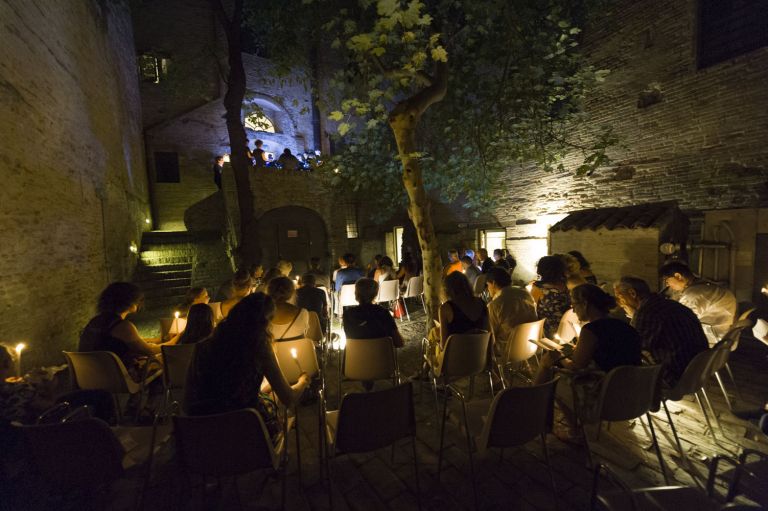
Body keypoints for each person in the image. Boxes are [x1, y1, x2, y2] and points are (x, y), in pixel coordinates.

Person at [184, 293, 309, 442]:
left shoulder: (202, 347)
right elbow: (289, 398)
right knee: (276, 403)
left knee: (268, 395)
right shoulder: (260, 349)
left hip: (202, 435)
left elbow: (188, 397)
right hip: (246, 434)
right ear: (263, 323)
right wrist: (303, 382)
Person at [536, 284, 642, 441]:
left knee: (551, 370)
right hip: (633, 393)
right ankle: (537, 414)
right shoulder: (625, 326)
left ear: (585, 304)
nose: (573, 309)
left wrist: (558, 356)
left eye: (574, 304)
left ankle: (564, 428)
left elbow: (575, 367)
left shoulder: (591, 330)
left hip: (603, 397)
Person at [614, 276, 709, 387]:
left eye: (619, 297)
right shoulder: (672, 305)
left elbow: (632, 349)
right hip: (699, 370)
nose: (619, 303)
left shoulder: (647, 312)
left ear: (632, 293)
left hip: (675, 376)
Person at [79, 282, 164, 378]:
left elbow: (117, 343)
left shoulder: (95, 321)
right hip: (117, 378)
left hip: (90, 375)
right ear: (130, 301)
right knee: (161, 360)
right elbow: (149, 351)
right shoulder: (122, 326)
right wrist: (174, 341)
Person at [660, 260, 737, 346]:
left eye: (667, 281)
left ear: (678, 276)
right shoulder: (704, 288)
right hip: (721, 337)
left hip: (712, 341)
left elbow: (681, 322)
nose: (667, 285)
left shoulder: (695, 294)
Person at [485, 267, 537, 360]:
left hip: (509, 348)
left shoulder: (495, 304)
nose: (488, 288)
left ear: (493, 283)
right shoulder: (526, 294)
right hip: (531, 342)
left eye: (488, 285)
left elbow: (491, 334)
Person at [267, 277, 322, 342]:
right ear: (292, 292)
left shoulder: (260, 313)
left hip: (269, 351)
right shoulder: (302, 313)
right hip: (297, 351)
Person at [531, 255, 571, 339]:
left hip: (547, 331)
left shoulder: (538, 288)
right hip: (565, 328)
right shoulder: (564, 286)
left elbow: (532, 310)